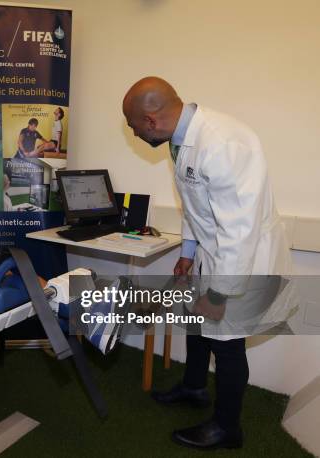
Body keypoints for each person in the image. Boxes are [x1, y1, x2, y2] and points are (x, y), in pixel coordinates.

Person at [122, 77, 292, 450]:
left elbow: (238, 229)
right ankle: (195, 387)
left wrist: (219, 292)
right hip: (215, 249)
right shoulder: (183, 138)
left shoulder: (221, 144)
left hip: (242, 256)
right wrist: (187, 252)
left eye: (135, 128)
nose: (135, 136)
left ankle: (227, 428)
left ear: (151, 121)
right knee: (197, 321)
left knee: (227, 340)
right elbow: (195, 203)